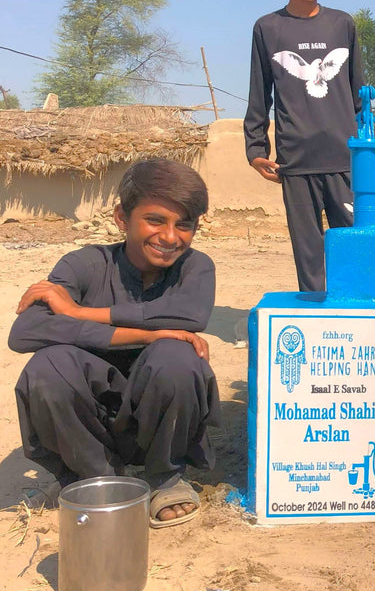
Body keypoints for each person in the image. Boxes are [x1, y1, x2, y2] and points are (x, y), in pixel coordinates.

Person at [9, 158, 219, 528]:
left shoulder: (195, 267)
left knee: (176, 356)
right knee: (48, 366)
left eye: (184, 225)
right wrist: (143, 334)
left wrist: (79, 313)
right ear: (122, 217)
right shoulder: (84, 264)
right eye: (156, 220)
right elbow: (25, 332)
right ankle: (96, 480)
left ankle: (165, 478)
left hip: (162, 422)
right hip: (89, 425)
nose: (170, 237)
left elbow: (190, 316)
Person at [244, 0, 366, 292]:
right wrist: (255, 150)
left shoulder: (342, 24)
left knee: (353, 248)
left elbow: (360, 95)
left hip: (344, 160)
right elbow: (258, 94)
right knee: (310, 255)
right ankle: (318, 318)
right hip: (295, 162)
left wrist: (364, 148)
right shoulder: (268, 28)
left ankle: (355, 319)